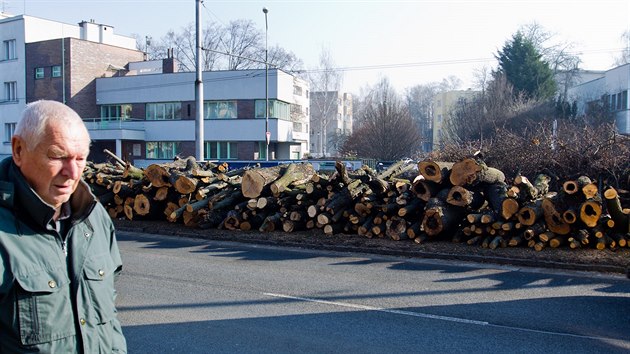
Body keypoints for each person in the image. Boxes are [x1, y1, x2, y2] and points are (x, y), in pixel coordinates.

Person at [0, 100, 127, 353]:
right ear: (18, 150)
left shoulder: (94, 216)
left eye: (80, 159)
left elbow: (107, 311)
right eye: (58, 156)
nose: (72, 172)